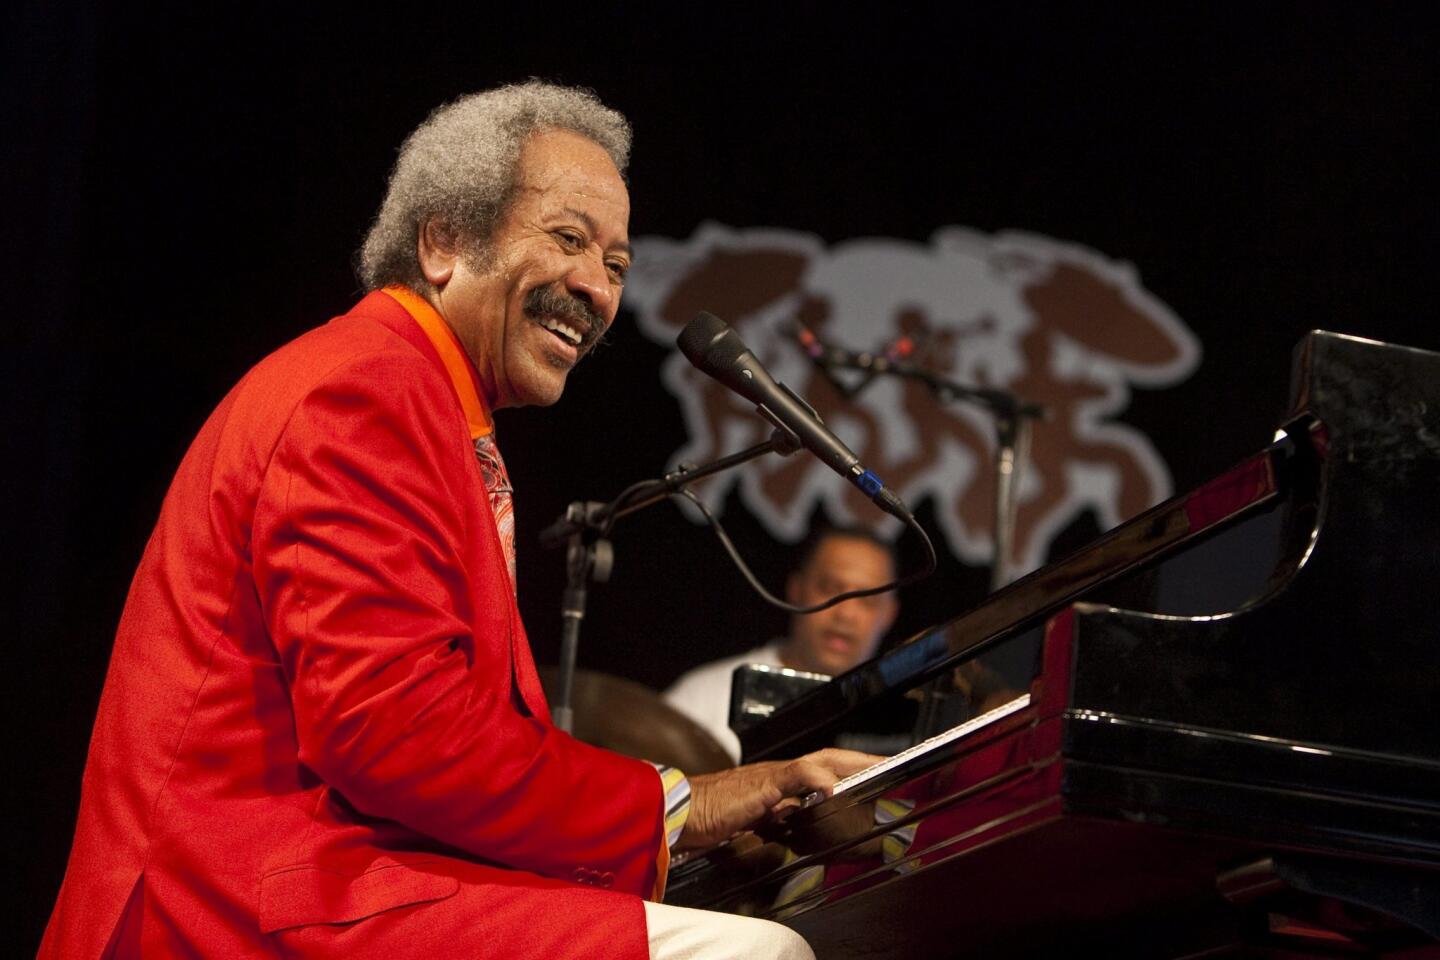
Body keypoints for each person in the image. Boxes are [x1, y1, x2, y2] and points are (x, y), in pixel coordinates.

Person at [38, 82, 876, 960]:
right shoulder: (363, 390)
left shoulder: (424, 396)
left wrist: (687, 824)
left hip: (316, 884)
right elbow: (394, 731)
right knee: (753, 955)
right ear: (443, 241)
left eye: (618, 266)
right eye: (568, 240)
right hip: (230, 908)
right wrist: (687, 807)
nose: (594, 289)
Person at [664, 526, 899, 762]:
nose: (846, 613)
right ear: (796, 590)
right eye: (829, 588)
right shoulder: (704, 696)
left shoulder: (901, 715)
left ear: (889, 614)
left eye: (867, 599)